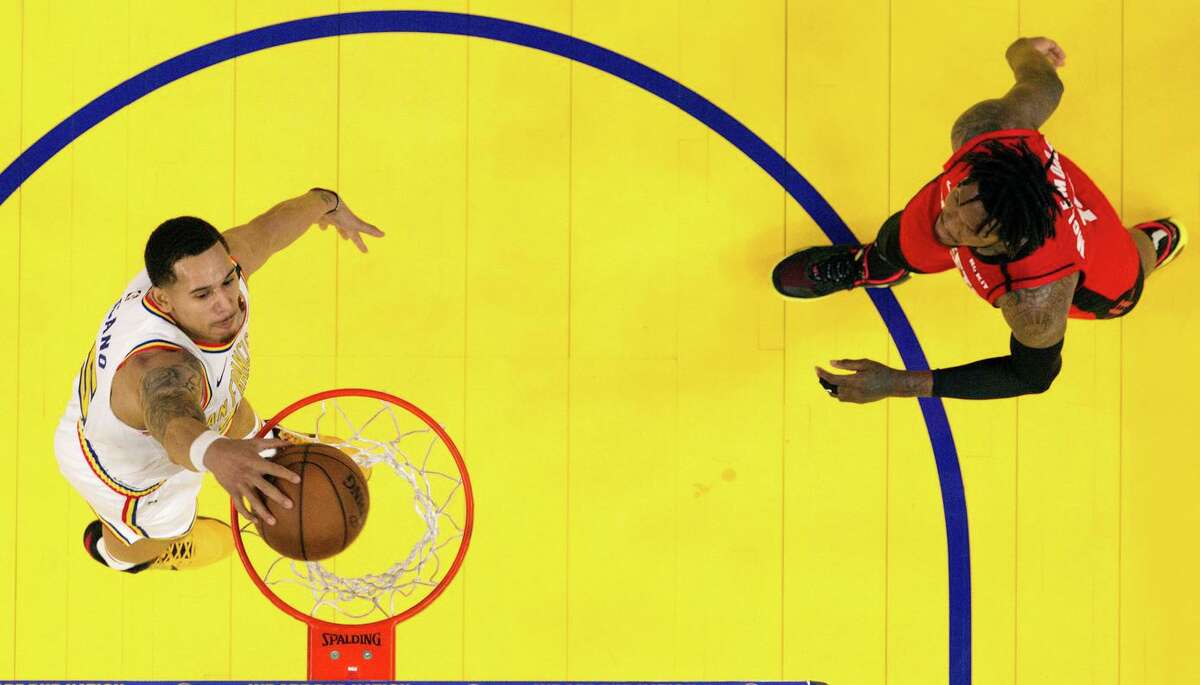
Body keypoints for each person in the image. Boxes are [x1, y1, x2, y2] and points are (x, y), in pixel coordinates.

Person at [772, 36, 1187, 403]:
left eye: (963, 227)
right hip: (1027, 209)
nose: (945, 222)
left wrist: (897, 383)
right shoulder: (985, 132)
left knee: (1129, 265)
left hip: (1098, 266)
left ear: (1003, 240)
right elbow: (1045, 84)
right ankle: (871, 267)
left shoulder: (1037, 304)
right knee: (900, 238)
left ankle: (1157, 243)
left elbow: (1031, 376)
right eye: (956, 200)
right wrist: (1026, 51)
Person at [55, 188, 384, 571]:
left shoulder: (211, 271)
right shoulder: (162, 367)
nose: (225, 302)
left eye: (227, 281)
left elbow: (269, 230)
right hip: (127, 471)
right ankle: (117, 551)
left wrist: (327, 203)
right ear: (164, 301)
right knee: (158, 532)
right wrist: (215, 454)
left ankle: (264, 440)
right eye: (203, 294)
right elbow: (172, 420)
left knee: (222, 398)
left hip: (173, 412)